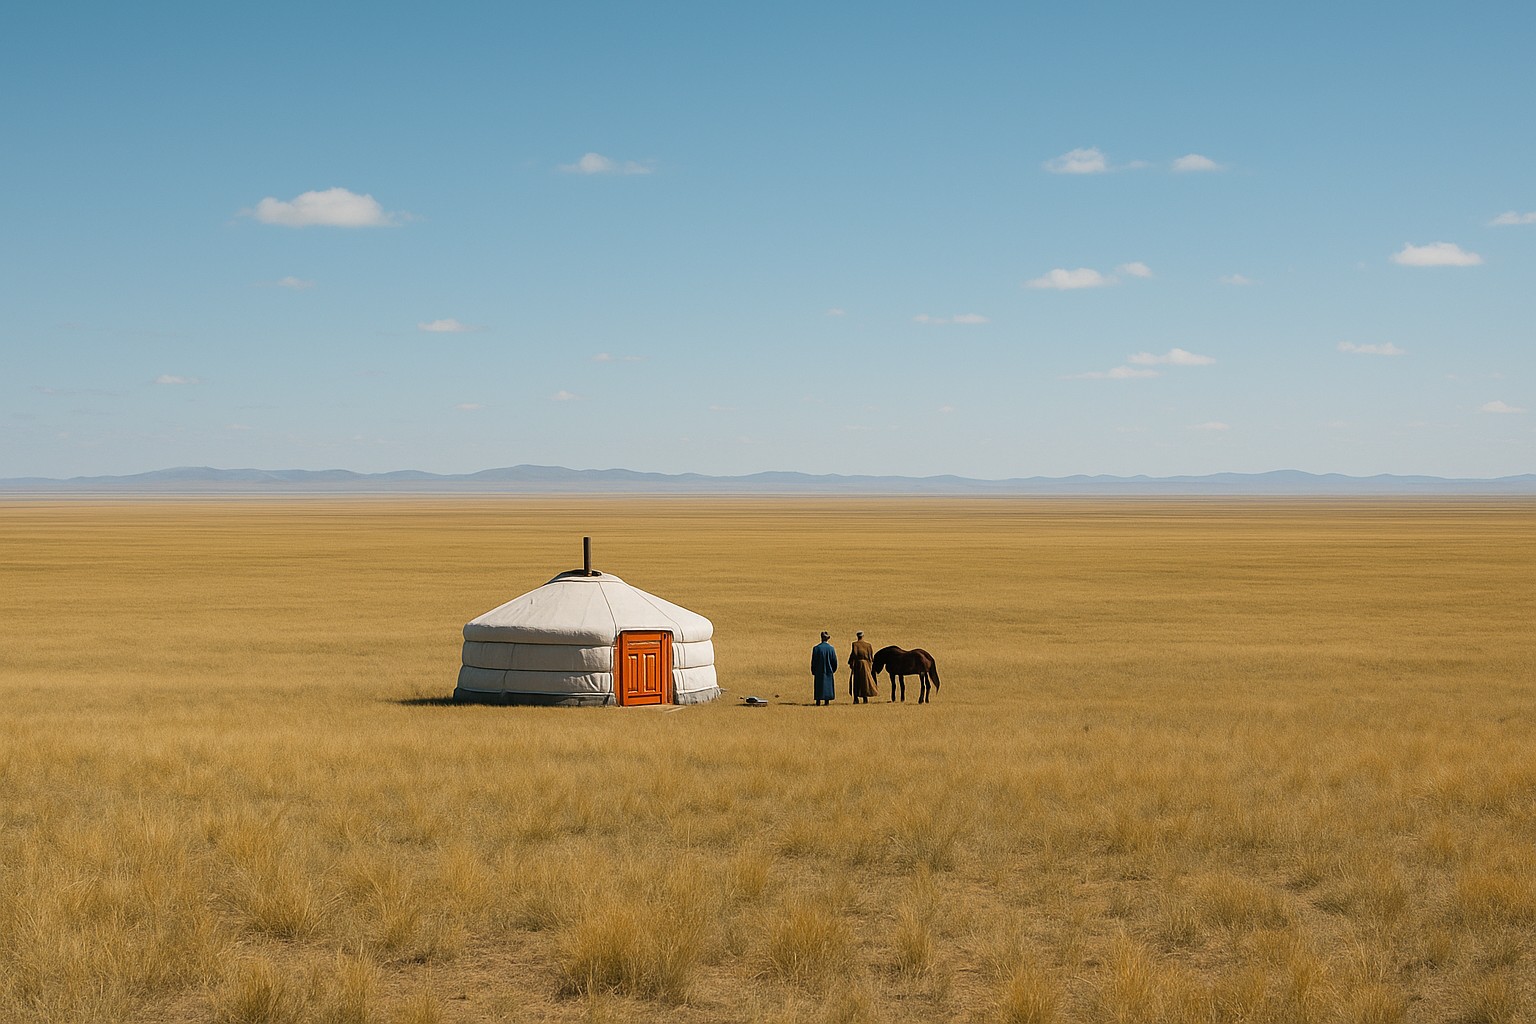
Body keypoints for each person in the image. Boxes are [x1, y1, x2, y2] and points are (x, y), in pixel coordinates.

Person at [810, 631, 837, 705]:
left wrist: (813, 670)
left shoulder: (816, 648)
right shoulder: (831, 649)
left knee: (819, 686)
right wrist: (833, 670)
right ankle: (827, 701)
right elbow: (834, 661)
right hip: (828, 671)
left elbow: (813, 661)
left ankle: (818, 701)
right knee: (828, 686)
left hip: (818, 671)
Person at [848, 630, 876, 703]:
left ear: (857, 636)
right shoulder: (868, 645)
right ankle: (865, 698)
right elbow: (871, 657)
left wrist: (850, 662)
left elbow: (853, 654)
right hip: (866, 665)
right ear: (863, 636)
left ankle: (856, 698)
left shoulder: (854, 644)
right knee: (865, 681)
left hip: (858, 664)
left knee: (857, 681)